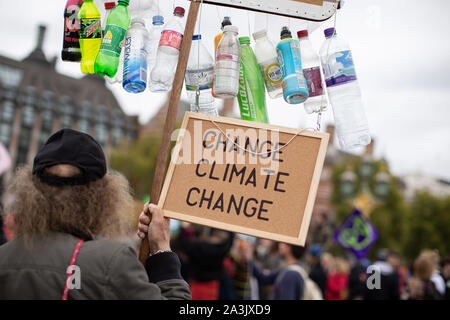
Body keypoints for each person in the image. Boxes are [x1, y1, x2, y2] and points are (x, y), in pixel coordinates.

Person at [0, 129, 191, 300]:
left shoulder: (4, 256)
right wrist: (162, 248)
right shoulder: (112, 263)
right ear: (103, 197)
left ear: (30, 192)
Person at [174, 225, 234, 300]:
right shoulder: (221, 249)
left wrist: (184, 227)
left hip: (195, 285)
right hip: (212, 286)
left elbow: (180, 242)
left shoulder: (196, 246)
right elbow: (230, 241)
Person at [251, 243, 322, 300]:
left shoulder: (291, 274)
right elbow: (264, 278)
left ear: (289, 248)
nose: (280, 245)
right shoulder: (289, 270)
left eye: (283, 243)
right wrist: (248, 258)